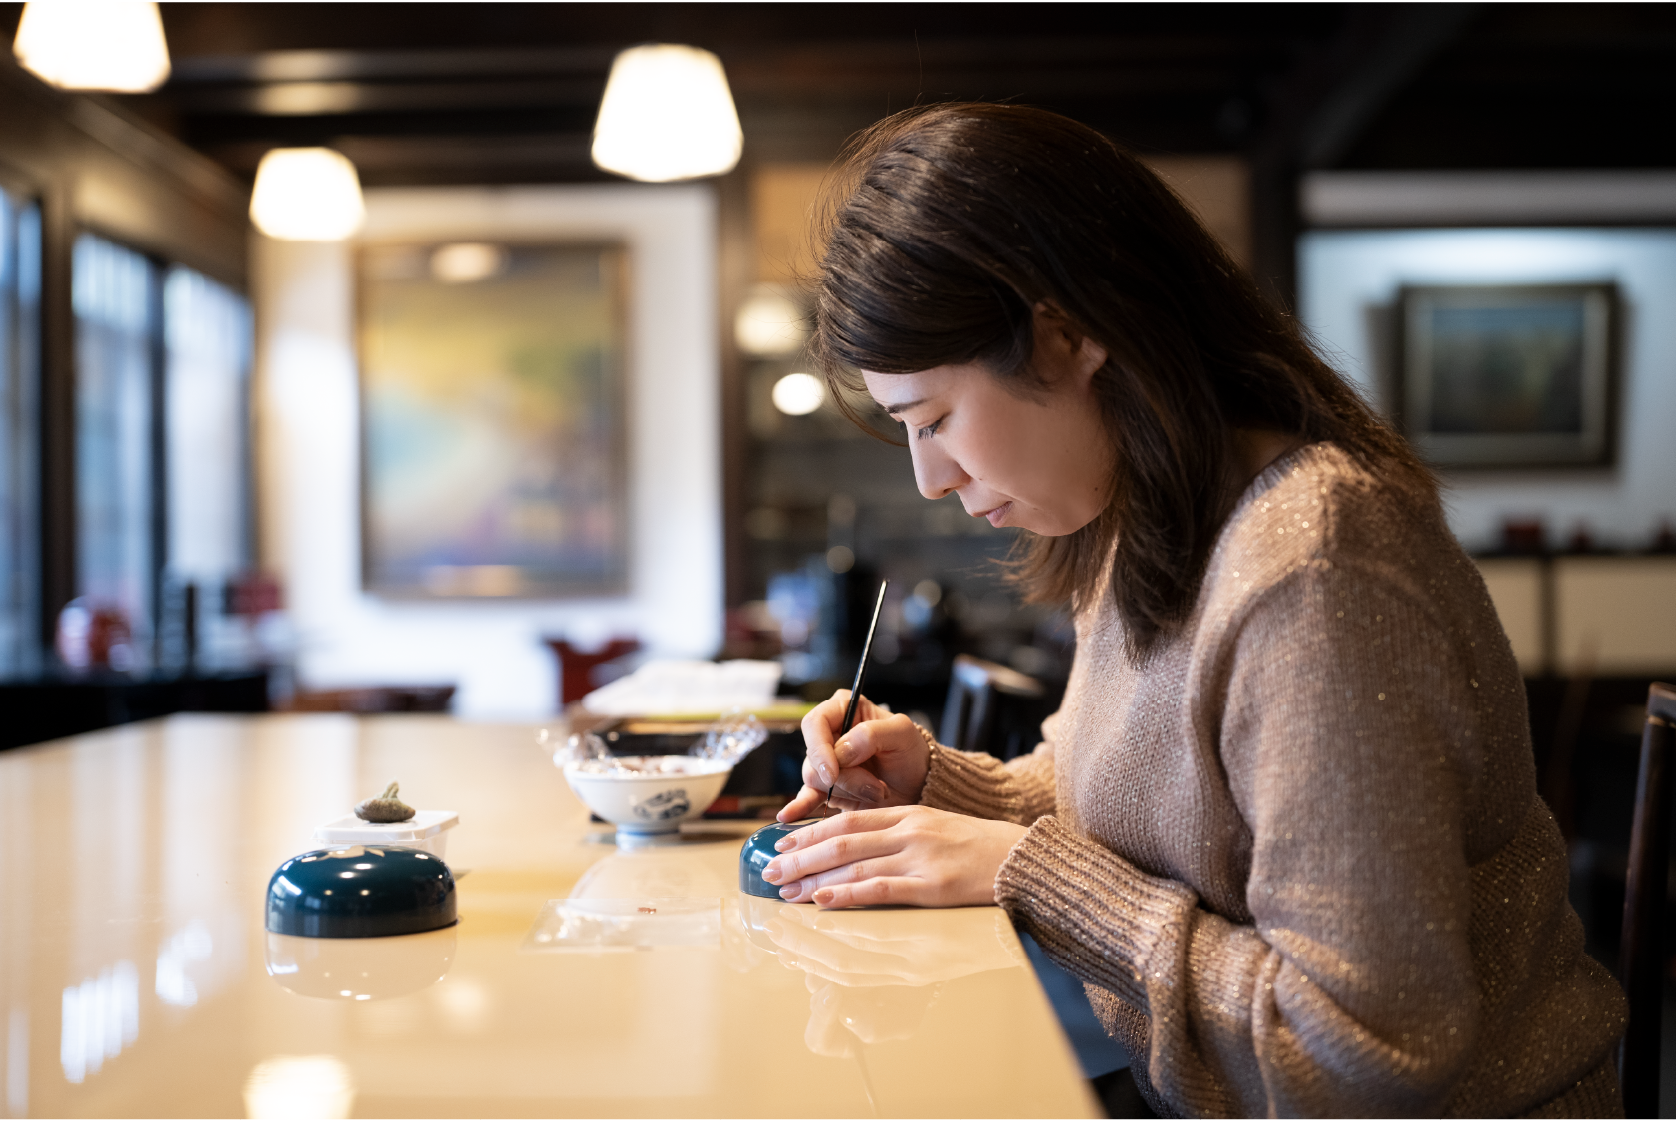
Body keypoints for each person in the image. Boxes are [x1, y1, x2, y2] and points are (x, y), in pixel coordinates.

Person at [759, 103, 1628, 1119]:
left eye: (935, 417)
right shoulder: (1143, 519)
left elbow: (1365, 1048)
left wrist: (1033, 873)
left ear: (1067, 332)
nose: (930, 477)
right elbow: (1140, 792)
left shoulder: (1315, 561)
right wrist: (944, 784)